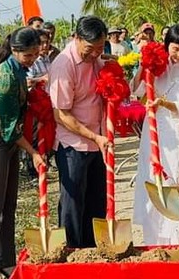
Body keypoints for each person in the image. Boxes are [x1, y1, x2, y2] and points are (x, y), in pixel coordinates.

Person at [0, 27, 46, 279]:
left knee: (9, 205)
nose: (33, 59)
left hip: (10, 141)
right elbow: (8, 127)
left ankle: (7, 263)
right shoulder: (5, 77)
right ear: (15, 51)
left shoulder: (18, 70)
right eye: (28, 55)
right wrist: (34, 153)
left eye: (36, 53)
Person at [131, 25, 179, 244]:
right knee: (153, 177)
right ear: (167, 45)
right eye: (175, 49)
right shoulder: (158, 63)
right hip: (154, 128)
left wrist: (163, 102)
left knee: (176, 177)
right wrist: (142, 67)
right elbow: (136, 91)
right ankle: (153, 240)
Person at [49, 16, 110, 248]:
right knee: (73, 203)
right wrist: (94, 136)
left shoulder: (96, 60)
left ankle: (92, 251)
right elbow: (61, 115)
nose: (95, 54)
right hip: (73, 145)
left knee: (96, 201)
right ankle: (70, 252)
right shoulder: (64, 65)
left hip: (97, 142)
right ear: (76, 38)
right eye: (89, 49)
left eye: (99, 48)